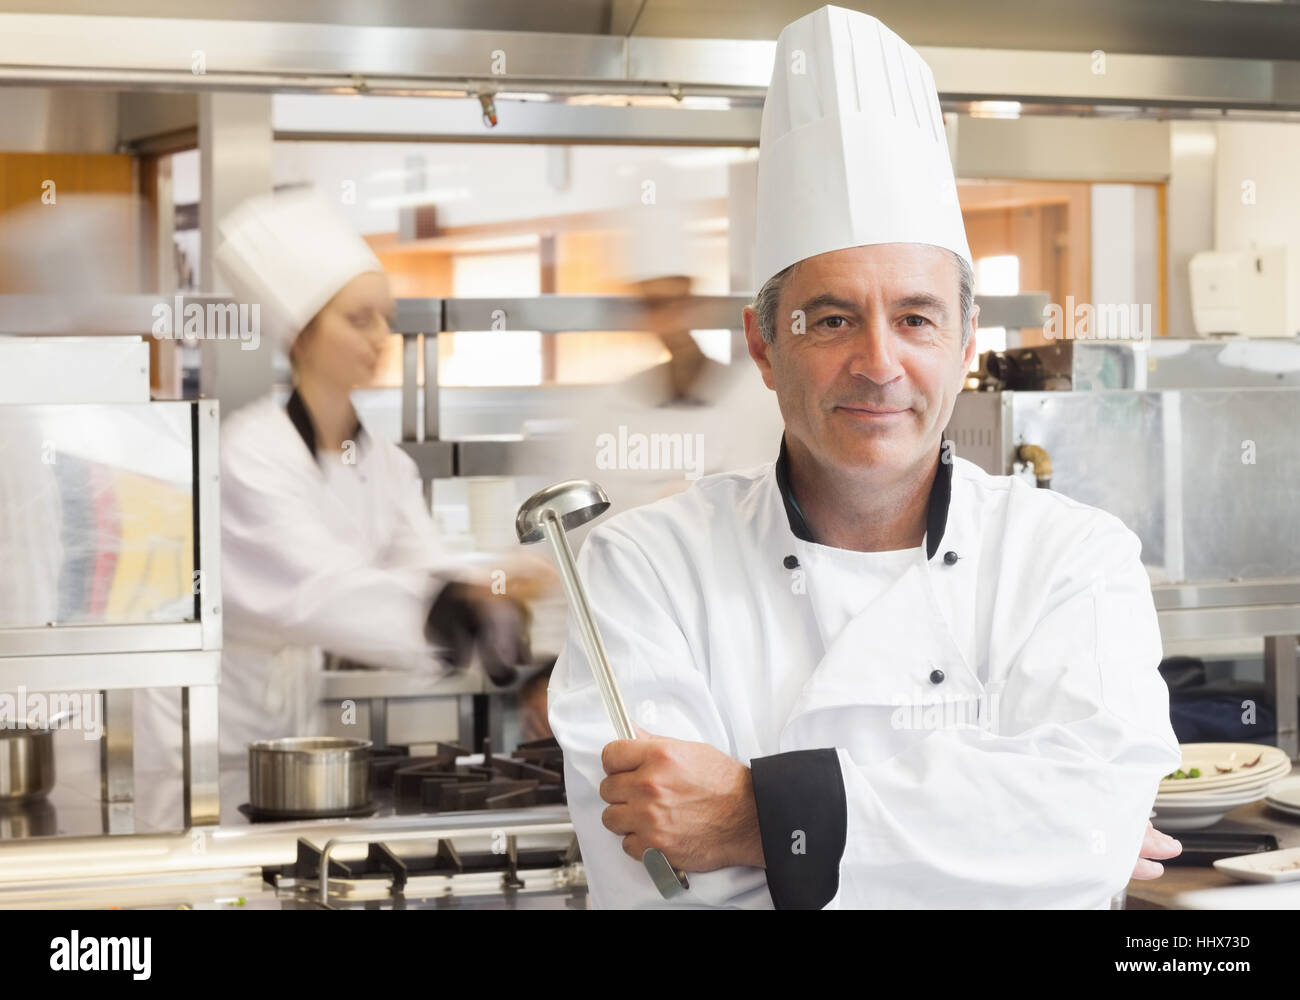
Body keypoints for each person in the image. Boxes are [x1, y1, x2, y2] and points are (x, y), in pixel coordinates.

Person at [547, 5, 1183, 909]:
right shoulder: (644, 570)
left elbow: (1088, 828)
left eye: (916, 317)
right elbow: (670, 888)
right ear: (764, 348)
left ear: (967, 342)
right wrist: (1007, 846)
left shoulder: (1074, 559)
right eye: (833, 318)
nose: (879, 363)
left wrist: (749, 816)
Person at [136, 189, 531, 770]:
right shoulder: (250, 454)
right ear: (301, 336)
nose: (379, 339)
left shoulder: (384, 464)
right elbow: (318, 588)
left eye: (386, 321)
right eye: (358, 319)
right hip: (201, 733)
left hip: (288, 731)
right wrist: (463, 599)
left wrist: (495, 593)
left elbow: (423, 566)